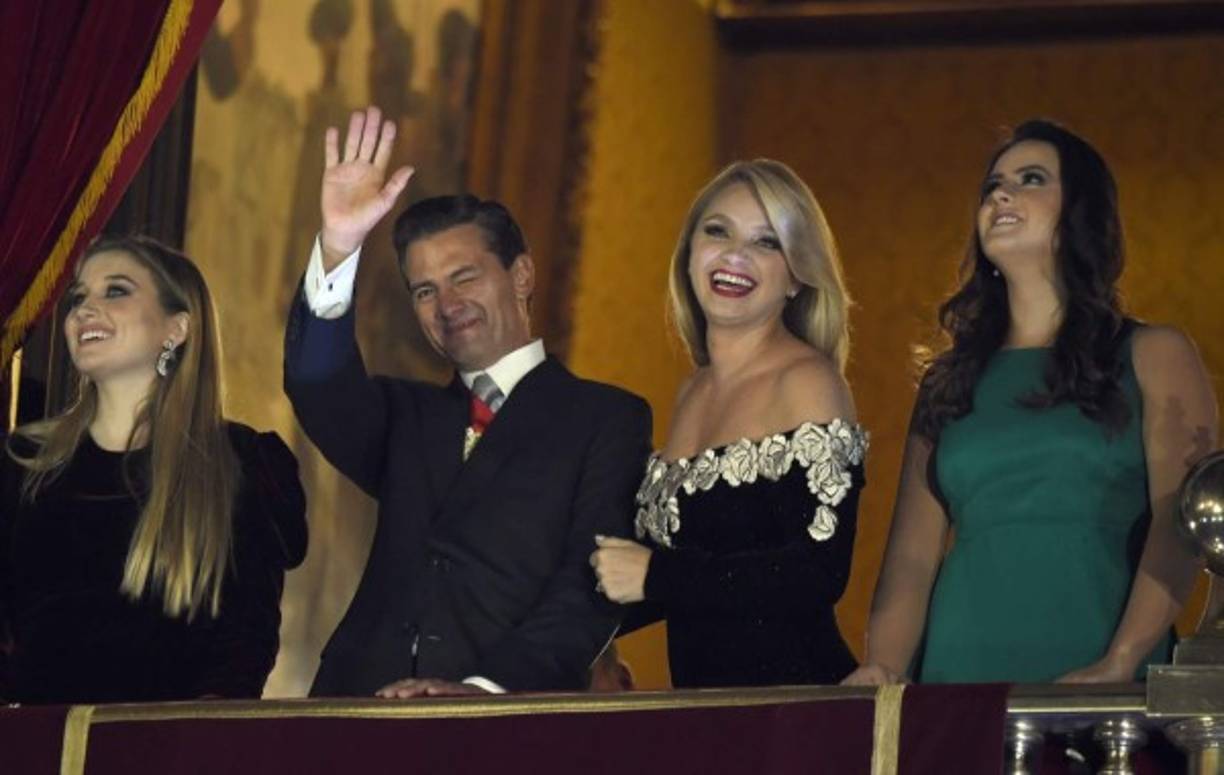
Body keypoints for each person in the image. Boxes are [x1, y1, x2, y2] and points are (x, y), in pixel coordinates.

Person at [284, 106, 651, 697]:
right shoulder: (404, 419)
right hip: (359, 711)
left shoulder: (605, 420)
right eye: (424, 290)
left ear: (522, 275)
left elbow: (589, 591)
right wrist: (339, 245)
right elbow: (317, 382)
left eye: (465, 277)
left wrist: (484, 690)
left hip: (501, 723)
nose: (446, 303)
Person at [844, 119, 1218, 686]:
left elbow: (1181, 529)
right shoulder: (948, 381)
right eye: (993, 185)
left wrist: (1120, 662)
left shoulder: (1154, 352)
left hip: (1100, 674)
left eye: (1031, 179)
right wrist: (884, 668)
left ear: (1079, 215)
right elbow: (912, 558)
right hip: (958, 678)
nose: (1000, 194)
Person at [590, 160, 866, 687]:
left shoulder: (807, 381)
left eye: (767, 242)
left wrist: (655, 575)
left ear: (795, 277)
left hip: (794, 711)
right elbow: (690, 581)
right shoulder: (692, 391)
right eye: (718, 231)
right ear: (690, 252)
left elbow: (819, 572)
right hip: (706, 714)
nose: (735, 254)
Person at [0, 236, 307, 704]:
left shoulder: (239, 461)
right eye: (78, 296)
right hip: (37, 747)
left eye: (116, 291)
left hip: (166, 748)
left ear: (177, 328)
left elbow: (244, 641)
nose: (84, 310)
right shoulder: (23, 462)